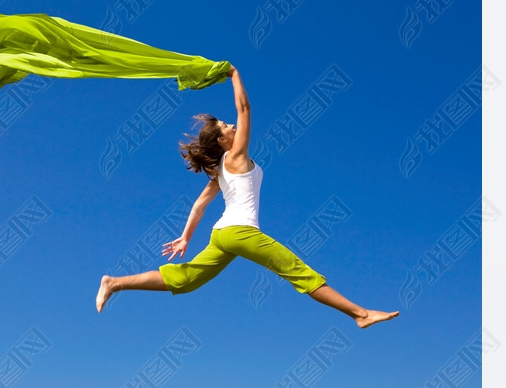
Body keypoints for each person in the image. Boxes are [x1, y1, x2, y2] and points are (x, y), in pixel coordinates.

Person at [95, 65, 399, 330]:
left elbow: (200, 205)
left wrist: (185, 237)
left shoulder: (220, 171)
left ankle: (114, 282)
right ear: (222, 140)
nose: (233, 125)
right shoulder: (235, 157)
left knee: (186, 280)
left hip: (221, 235)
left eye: (229, 123)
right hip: (240, 232)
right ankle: (360, 314)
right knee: (297, 271)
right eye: (226, 127)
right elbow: (245, 109)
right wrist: (234, 75)